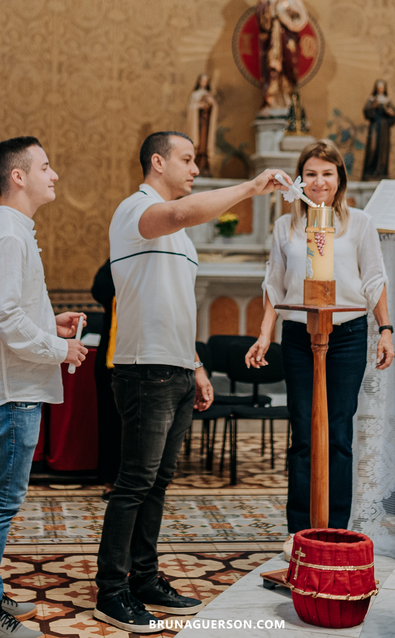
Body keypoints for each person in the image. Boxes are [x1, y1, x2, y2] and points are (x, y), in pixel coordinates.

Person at [93, 132, 289, 633]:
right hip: (144, 369)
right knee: (134, 482)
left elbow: (175, 306)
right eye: (188, 159)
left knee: (157, 483)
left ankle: (145, 577)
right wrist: (249, 189)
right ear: (157, 162)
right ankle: (111, 591)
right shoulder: (133, 210)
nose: (196, 168)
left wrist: (196, 366)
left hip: (176, 368)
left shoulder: (180, 237)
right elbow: (179, 214)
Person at [0, 137, 88, 638]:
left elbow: (10, 311)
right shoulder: (8, 235)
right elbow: (4, 317)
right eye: (45, 166)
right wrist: (62, 350)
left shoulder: (8, 230)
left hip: (6, 386)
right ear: (19, 176)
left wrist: (49, 322)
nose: (53, 175)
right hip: (12, 393)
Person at [247, 139, 394, 534]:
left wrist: (385, 330)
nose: (319, 181)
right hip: (299, 333)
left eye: (327, 173)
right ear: (300, 179)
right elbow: (274, 285)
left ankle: (335, 529)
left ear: (339, 178)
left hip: (345, 334)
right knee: (304, 432)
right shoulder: (286, 226)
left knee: (339, 433)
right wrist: (265, 334)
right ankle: (300, 532)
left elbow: (374, 279)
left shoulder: (359, 224)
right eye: (311, 173)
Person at [257, 0, 309, 111]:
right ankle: (271, 101)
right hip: (274, 34)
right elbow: (261, 14)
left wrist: (291, 10)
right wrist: (270, 8)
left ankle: (288, 100)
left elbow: (302, 16)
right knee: (273, 65)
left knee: (289, 66)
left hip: (288, 36)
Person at [90, 259, 121, 498]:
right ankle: (111, 479)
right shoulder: (117, 260)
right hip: (111, 357)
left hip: (146, 355)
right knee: (110, 422)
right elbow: (99, 289)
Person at [361, 79, 395, 181]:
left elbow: (393, 114)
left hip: (384, 129)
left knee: (383, 151)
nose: (380, 89)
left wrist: (390, 112)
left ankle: (381, 171)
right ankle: (370, 171)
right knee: (373, 148)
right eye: (379, 87)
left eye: (382, 87)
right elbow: (366, 111)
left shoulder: (387, 100)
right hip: (375, 127)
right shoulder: (372, 99)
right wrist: (373, 106)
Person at [186, 74, 218, 177]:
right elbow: (191, 109)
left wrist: (210, 104)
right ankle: (197, 164)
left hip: (206, 124)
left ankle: (205, 165)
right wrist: (199, 106)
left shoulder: (209, 94)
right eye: (202, 80)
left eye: (206, 81)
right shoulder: (195, 95)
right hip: (198, 125)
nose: (204, 82)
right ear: (199, 81)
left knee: (205, 146)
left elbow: (214, 108)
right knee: (198, 145)